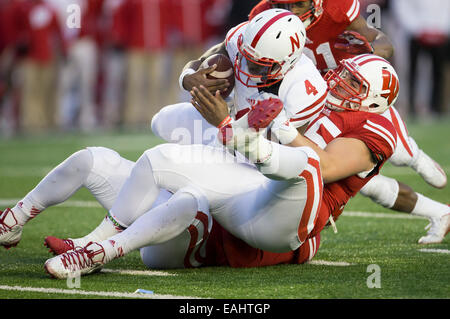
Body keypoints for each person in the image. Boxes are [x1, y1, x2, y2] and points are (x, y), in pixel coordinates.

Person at [40, 54, 400, 279]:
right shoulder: (317, 91)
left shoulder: (375, 129)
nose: (339, 79)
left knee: (290, 164)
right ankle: (90, 245)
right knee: (177, 156)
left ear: (376, 101)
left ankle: (95, 248)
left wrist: (276, 129)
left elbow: (323, 165)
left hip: (288, 215)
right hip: (254, 186)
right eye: (344, 73)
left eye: (354, 81)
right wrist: (206, 85)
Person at [246, 0, 449, 244]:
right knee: (361, 180)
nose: (291, 12)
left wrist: (369, 57)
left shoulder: (336, 8)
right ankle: (440, 212)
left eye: (297, 4)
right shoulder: (263, 12)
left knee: (375, 154)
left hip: (351, 88)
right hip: (311, 97)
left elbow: (380, 40)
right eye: (283, 5)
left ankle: (412, 154)